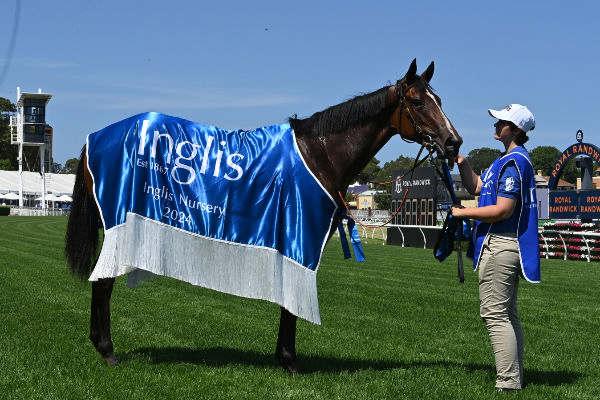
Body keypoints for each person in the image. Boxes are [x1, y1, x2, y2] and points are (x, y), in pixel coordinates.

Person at [451, 104, 540, 392]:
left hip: (501, 246)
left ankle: (508, 383)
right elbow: (477, 188)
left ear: (515, 129)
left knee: (496, 315)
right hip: (501, 245)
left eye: (501, 122)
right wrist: (462, 162)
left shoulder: (515, 161)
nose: (496, 125)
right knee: (507, 314)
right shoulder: (503, 160)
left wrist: (463, 213)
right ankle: (513, 378)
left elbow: (503, 209)